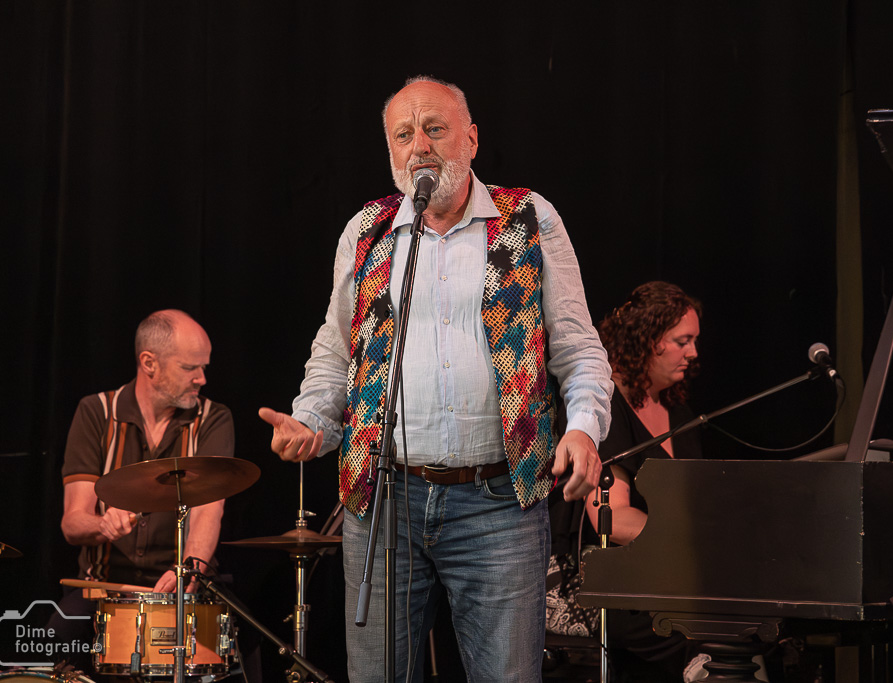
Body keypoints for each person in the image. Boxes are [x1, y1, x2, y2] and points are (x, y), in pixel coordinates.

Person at [259, 75, 612, 682]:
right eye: (403, 135)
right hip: (384, 501)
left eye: (434, 128)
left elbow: (579, 349)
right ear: (390, 152)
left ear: (471, 139)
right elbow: (336, 352)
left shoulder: (527, 217)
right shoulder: (368, 232)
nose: (419, 145)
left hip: (498, 504)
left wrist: (583, 428)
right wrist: (311, 420)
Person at [51, 309, 233, 668]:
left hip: (181, 586)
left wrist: (189, 570)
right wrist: (102, 524)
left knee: (238, 655)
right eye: (190, 368)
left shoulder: (213, 418)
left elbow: (208, 511)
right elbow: (72, 523)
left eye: (204, 367)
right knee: (52, 646)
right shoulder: (96, 412)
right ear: (149, 363)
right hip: (101, 590)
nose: (202, 378)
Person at [583, 282, 703, 679]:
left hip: (671, 578)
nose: (693, 353)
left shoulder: (679, 413)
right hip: (609, 581)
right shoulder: (606, 407)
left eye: (694, 341)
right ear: (648, 341)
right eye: (682, 341)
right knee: (701, 627)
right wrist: (691, 547)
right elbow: (613, 519)